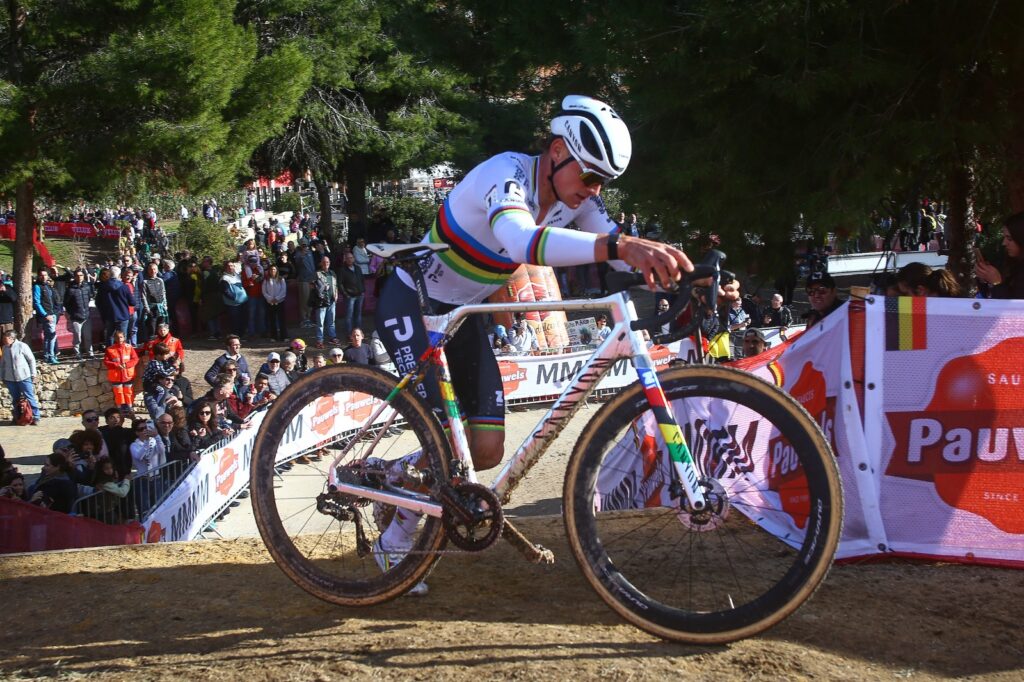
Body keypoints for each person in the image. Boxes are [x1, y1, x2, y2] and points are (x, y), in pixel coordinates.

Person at [373, 94, 691, 593]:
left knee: (485, 449)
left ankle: (393, 474)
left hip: (461, 314)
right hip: (413, 301)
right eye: (590, 176)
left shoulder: (575, 198)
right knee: (444, 444)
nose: (594, 190)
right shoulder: (507, 175)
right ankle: (394, 539)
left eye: (603, 182)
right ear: (558, 151)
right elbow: (522, 241)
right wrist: (620, 246)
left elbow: (616, 250)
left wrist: (674, 265)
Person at [976, 211, 1024, 298]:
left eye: (1009, 239)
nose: (1004, 243)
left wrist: (997, 283)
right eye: (1004, 237)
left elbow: (1014, 304)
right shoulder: (1013, 264)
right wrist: (985, 279)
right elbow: (990, 297)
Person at [0, 330, 40, 424]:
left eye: (5, 338)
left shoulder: (22, 346)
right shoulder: (4, 348)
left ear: (11, 338)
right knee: (15, 399)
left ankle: (36, 416)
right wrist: (1, 376)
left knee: (29, 397)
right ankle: (17, 417)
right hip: (10, 378)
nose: (3, 340)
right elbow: (2, 364)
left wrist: (33, 374)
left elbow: (31, 360)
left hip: (24, 377)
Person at [129, 418, 165, 512]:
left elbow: (162, 450)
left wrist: (157, 436)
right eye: (141, 429)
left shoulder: (154, 441)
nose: (145, 430)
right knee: (145, 510)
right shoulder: (134, 445)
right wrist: (146, 442)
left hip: (156, 478)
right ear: (137, 433)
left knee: (159, 508)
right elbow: (140, 456)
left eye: (146, 428)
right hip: (142, 480)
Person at [103, 329, 139, 412]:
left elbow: (135, 359)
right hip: (116, 376)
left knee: (128, 392)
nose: (119, 339)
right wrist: (116, 365)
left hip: (128, 375)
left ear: (124, 338)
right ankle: (120, 409)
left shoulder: (129, 347)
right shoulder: (110, 349)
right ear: (114, 338)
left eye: (121, 337)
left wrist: (126, 365)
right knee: (118, 392)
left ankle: (130, 408)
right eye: (117, 337)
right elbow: (106, 361)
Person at [63, 268, 94, 359]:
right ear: (74, 277)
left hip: (86, 315)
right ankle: (77, 353)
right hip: (76, 317)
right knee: (77, 337)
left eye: (81, 275)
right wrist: (71, 313)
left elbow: (89, 298)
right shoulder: (70, 289)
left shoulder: (87, 287)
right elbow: (66, 303)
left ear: (83, 276)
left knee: (88, 336)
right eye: (77, 276)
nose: (79, 277)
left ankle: (90, 352)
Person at [32, 268, 61, 364]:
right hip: (47, 315)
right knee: (52, 335)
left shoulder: (48, 286)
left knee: (48, 336)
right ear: (38, 276)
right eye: (41, 275)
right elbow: (37, 302)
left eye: (45, 275)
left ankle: (47, 355)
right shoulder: (37, 286)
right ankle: (51, 356)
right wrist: (45, 314)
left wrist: (56, 312)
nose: (43, 277)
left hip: (53, 314)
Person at [312, 255, 339, 348]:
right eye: (324, 262)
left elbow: (336, 285)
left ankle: (332, 337)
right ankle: (319, 340)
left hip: (331, 300)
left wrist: (336, 294)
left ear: (329, 263)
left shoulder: (333, 273)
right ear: (321, 263)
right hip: (321, 301)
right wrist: (320, 290)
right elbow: (311, 286)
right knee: (320, 322)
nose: (325, 264)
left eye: (327, 262)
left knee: (331, 321)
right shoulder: (317, 274)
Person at [338, 251, 365, 339]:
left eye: (351, 258)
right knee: (349, 316)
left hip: (359, 295)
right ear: (345, 259)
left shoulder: (358, 268)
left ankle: (358, 333)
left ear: (353, 259)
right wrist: (346, 294)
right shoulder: (342, 270)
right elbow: (340, 284)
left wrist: (363, 290)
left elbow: (362, 280)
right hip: (350, 296)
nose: (350, 259)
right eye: (348, 258)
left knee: (358, 315)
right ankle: (350, 335)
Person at [140, 261, 168, 338]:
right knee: (152, 328)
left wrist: (165, 305)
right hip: (152, 308)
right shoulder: (145, 282)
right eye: (151, 269)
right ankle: (152, 343)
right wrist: (147, 309)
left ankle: (162, 343)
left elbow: (163, 292)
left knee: (162, 327)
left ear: (157, 270)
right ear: (148, 270)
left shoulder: (160, 280)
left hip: (161, 308)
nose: (153, 271)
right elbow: (143, 296)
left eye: (154, 269)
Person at [262, 264, 288, 342]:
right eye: (271, 269)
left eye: (274, 269)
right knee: (272, 320)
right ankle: (274, 337)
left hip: (280, 302)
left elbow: (283, 290)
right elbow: (264, 291)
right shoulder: (266, 280)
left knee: (281, 319)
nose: (272, 271)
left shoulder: (281, 279)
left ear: (276, 270)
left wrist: (277, 298)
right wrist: (270, 299)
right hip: (270, 303)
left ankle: (284, 336)